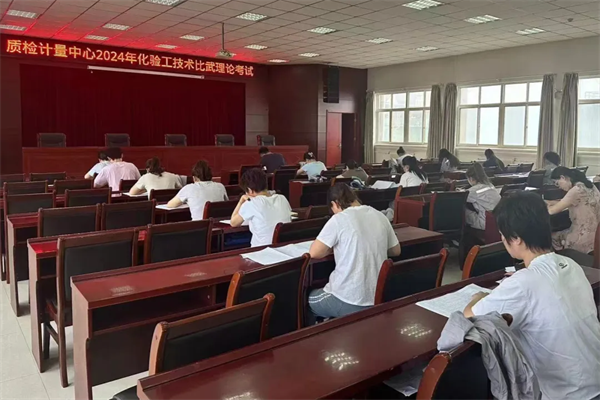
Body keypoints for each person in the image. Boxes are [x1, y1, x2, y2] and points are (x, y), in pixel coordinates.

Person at [463, 191, 600, 400]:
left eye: (503, 234)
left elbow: (471, 315)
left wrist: (478, 296)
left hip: (570, 394)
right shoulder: (571, 265)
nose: (502, 239)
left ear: (516, 238)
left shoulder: (523, 283)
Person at [307, 184, 401, 320]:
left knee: (306, 300)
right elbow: (396, 250)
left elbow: (315, 253)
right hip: (378, 298)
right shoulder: (379, 215)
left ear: (335, 204)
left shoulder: (339, 219)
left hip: (346, 299)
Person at [230, 168, 292, 247]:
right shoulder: (282, 198)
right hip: (283, 247)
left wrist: (241, 201)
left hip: (260, 250)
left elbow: (233, 223)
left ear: (250, 190)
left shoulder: (252, 202)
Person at [549, 166, 600, 254]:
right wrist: (551, 202)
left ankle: (565, 257)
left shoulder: (576, 190)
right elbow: (567, 201)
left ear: (562, 177)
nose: (559, 187)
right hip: (596, 234)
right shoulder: (590, 186)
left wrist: (542, 205)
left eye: (557, 183)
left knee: (551, 236)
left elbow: (551, 211)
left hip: (582, 237)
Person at [464, 163, 501, 231]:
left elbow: (461, 198)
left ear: (471, 178)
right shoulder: (490, 185)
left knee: (463, 210)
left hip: (485, 222)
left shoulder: (474, 190)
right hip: (498, 221)